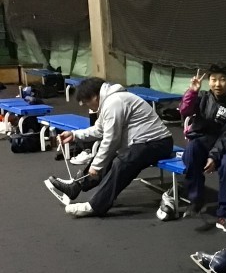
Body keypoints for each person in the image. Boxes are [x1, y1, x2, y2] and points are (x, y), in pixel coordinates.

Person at [47, 77, 174, 217]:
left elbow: (111, 139)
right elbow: (99, 130)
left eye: (86, 102)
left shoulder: (114, 102)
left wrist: (96, 166)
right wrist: (74, 135)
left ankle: (95, 206)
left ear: (94, 96)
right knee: (110, 156)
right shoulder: (108, 102)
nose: (87, 106)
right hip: (143, 142)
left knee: (122, 162)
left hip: (158, 143)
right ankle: (75, 187)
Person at [179, 63, 226, 231]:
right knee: (191, 150)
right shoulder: (202, 97)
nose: (218, 84)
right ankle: (196, 200)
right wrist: (192, 92)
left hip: (224, 146)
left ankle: (224, 214)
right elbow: (184, 111)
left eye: (222, 80)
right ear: (209, 81)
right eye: (214, 79)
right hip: (202, 142)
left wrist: (214, 156)